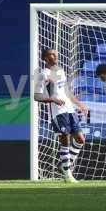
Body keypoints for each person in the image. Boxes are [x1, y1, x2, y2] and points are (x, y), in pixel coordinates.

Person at [34, 49, 88, 183]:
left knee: (81, 139)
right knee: (65, 140)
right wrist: (52, 99)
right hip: (57, 111)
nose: (56, 55)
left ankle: (65, 164)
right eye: (52, 54)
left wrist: (80, 104)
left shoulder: (60, 71)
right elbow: (37, 96)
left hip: (69, 109)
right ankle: (67, 173)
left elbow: (66, 92)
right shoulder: (43, 74)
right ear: (45, 58)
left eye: (56, 53)